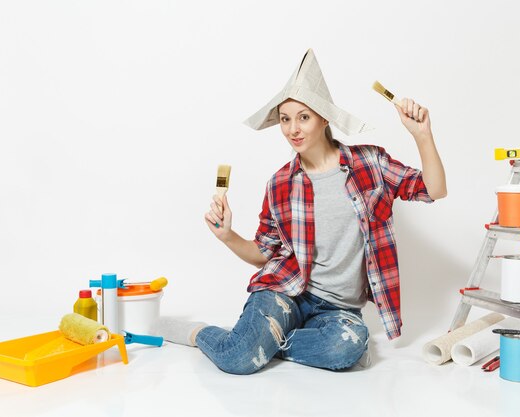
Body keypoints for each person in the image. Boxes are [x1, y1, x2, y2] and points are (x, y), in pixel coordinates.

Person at [151, 49, 446, 375]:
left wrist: (422, 136)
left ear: (324, 119)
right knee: (237, 359)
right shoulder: (280, 184)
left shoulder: (370, 164)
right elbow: (263, 255)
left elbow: (433, 190)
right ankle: (197, 333)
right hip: (284, 292)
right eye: (285, 118)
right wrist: (227, 235)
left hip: (338, 309)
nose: (293, 128)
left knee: (343, 348)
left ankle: (265, 342)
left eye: (303, 117)